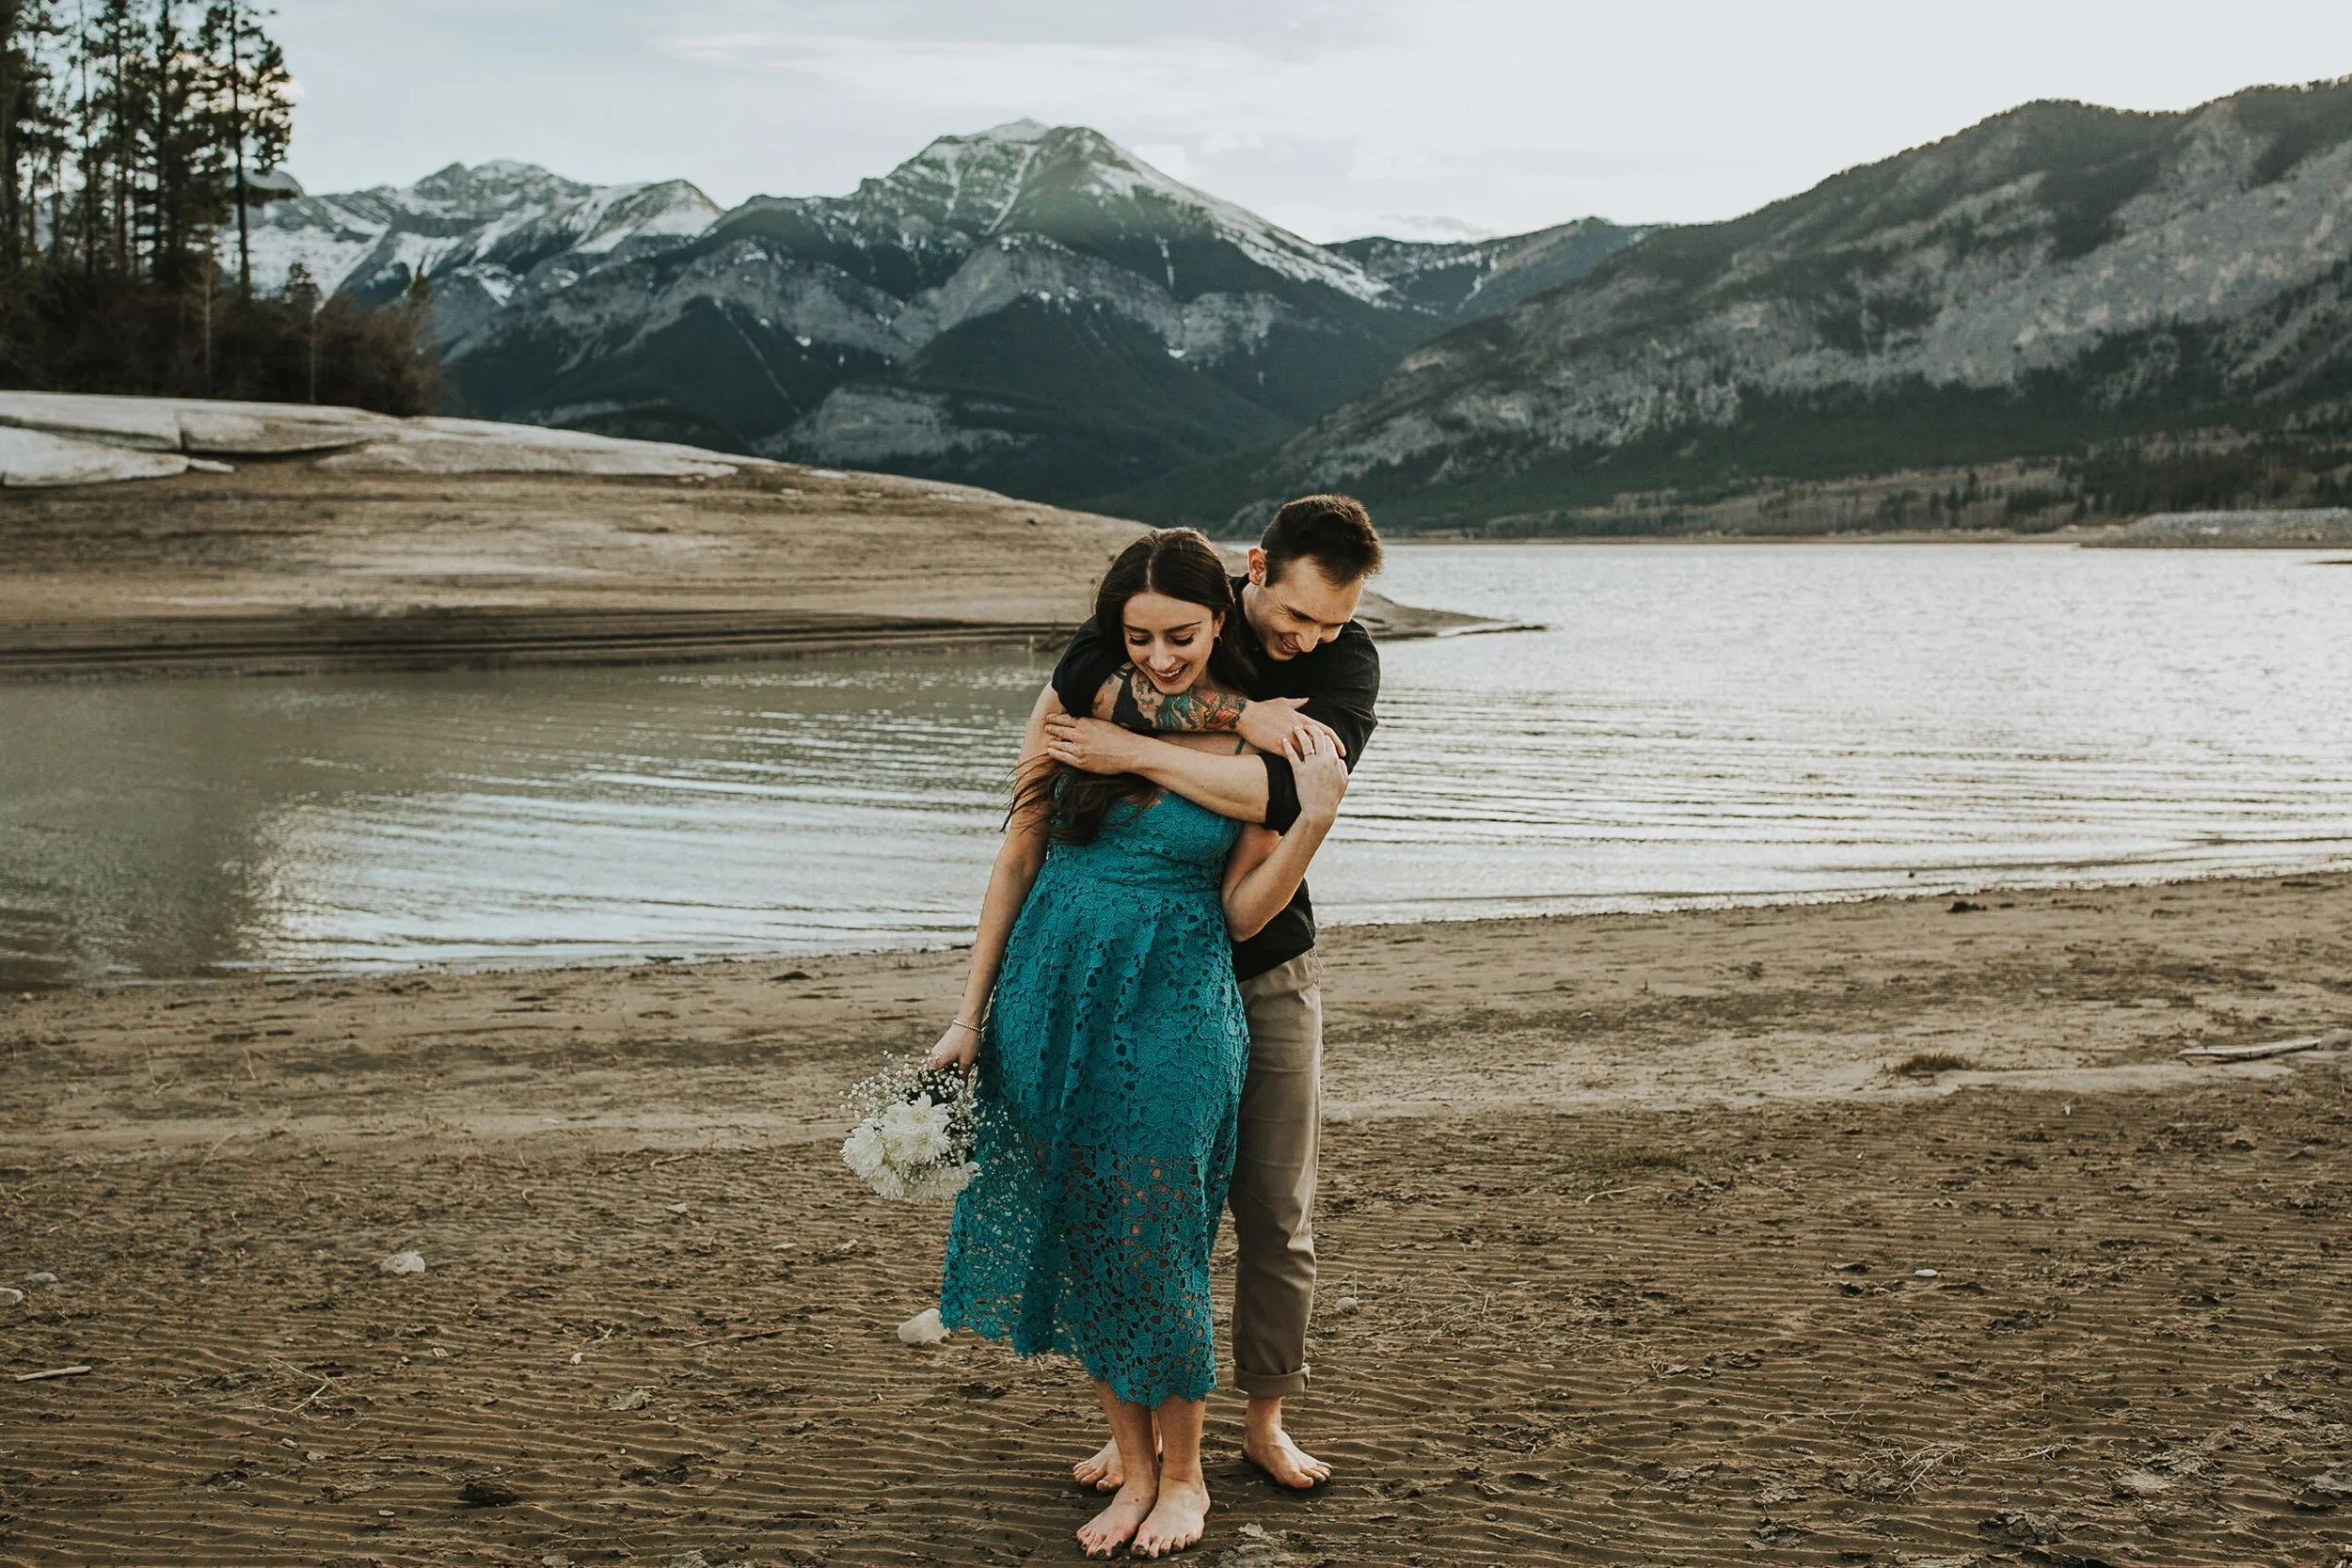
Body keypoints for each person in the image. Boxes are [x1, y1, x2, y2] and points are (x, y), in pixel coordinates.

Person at [930, 526, 1350, 1560]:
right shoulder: (1080, 701)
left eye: (1181, 634)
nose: (1160, 655)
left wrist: (1311, 823)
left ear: (1220, 621)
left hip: (1177, 1000)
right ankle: (1130, 1466)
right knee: (1085, 1229)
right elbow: (1018, 849)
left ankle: (1187, 1476)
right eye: (1138, 635)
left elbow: (1247, 913)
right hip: (1049, 989)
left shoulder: (1264, 736)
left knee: (1160, 1241)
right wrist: (969, 1012)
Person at [1041, 494, 1384, 1494]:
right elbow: (1077, 682)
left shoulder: (1347, 663)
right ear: (1253, 571)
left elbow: (1282, 797)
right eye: (1295, 618)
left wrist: (1137, 749)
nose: (1310, 641)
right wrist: (1237, 720)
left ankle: (1266, 1418)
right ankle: (1138, 1424)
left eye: (1332, 619)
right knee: (1147, 1208)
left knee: (1277, 1209)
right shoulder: (1179, 615)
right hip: (1143, 972)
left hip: (1264, 961)